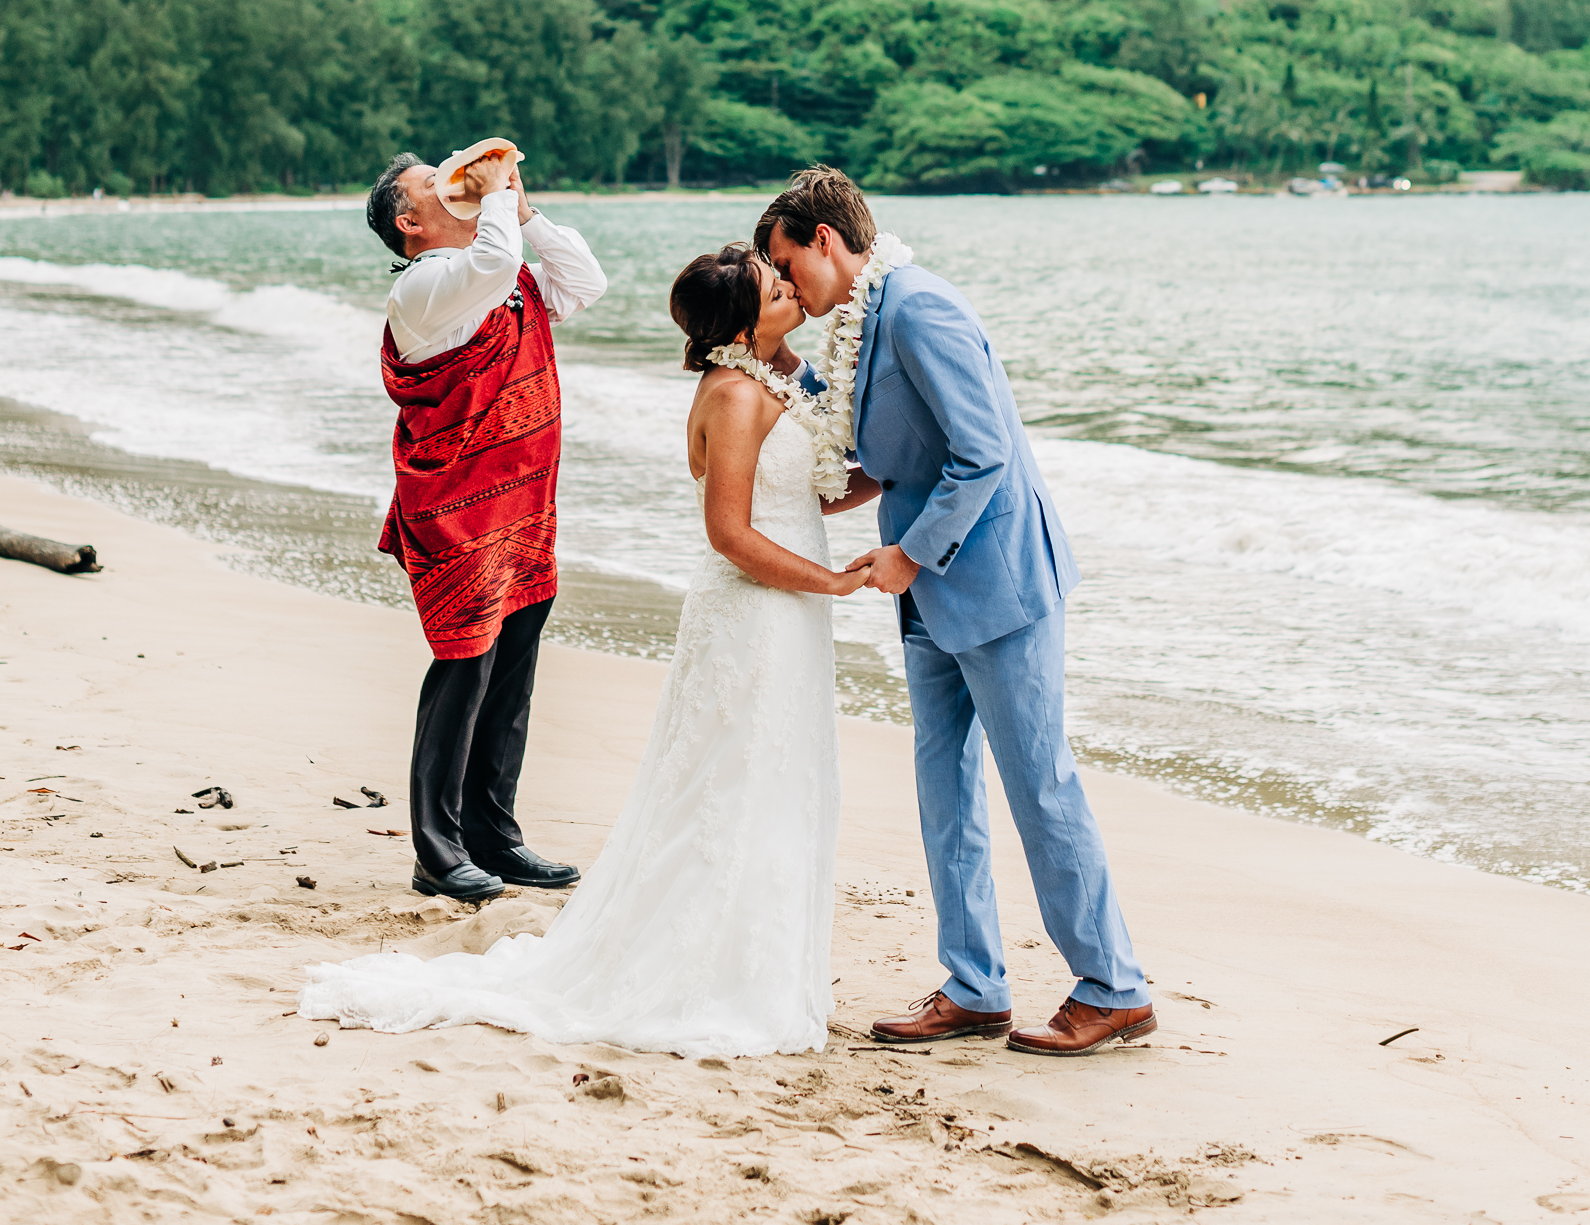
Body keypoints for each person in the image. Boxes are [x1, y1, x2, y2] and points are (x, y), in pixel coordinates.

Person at [302, 242, 875, 1057]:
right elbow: (731, 534)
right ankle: (705, 969)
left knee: (779, 780)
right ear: (742, 327)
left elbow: (817, 486)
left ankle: (760, 961)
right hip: (754, 611)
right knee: (731, 781)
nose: (788, 287)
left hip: (790, 613)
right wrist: (834, 585)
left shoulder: (781, 379)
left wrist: (891, 473)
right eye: (772, 285)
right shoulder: (737, 397)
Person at [759, 165, 1155, 1059]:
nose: (789, 288)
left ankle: (1115, 987)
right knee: (945, 792)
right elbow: (895, 453)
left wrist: (905, 554)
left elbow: (983, 454)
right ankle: (975, 987)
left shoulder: (922, 307)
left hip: (998, 583)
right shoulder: (859, 324)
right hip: (930, 594)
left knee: (1040, 786)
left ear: (827, 239)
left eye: (790, 267)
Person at [365, 146, 608, 904]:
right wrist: (496, 198)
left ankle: (495, 837)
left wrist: (524, 208)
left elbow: (585, 282)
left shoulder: (493, 272)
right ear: (410, 223)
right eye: (431, 189)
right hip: (460, 508)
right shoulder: (426, 286)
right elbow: (497, 265)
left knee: (512, 677)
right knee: (463, 670)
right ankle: (437, 852)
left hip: (524, 505)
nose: (451, 189)